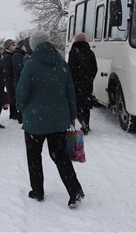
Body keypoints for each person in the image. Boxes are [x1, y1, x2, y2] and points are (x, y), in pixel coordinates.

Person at [16, 30, 85, 209]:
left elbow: (21, 92)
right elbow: (70, 91)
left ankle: (37, 191)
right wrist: (72, 115)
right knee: (60, 157)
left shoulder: (31, 65)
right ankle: (74, 190)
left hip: (35, 122)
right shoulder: (61, 63)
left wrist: (22, 108)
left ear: (33, 45)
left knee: (34, 157)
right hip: (58, 120)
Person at [67, 32, 98, 135]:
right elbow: (95, 68)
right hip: (87, 84)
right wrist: (89, 79)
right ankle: (86, 124)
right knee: (86, 104)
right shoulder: (90, 53)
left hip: (76, 83)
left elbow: (70, 68)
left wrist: (72, 80)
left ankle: (82, 122)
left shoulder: (73, 52)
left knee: (77, 103)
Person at [2, 39, 18, 121]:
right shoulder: (7, 56)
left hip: (12, 78)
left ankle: (14, 113)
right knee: (12, 96)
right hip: (10, 79)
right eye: (12, 45)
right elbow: (7, 70)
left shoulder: (12, 55)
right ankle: (13, 113)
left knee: (14, 96)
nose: (14, 46)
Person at [12, 39, 27, 124]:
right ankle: (20, 117)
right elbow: (19, 68)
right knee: (21, 99)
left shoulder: (22, 54)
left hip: (20, 79)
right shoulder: (17, 55)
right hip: (19, 79)